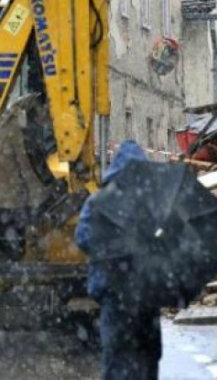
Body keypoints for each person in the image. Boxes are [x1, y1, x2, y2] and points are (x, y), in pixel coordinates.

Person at [75, 140, 162, 380]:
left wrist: (110, 249)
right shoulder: (153, 205)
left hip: (114, 295)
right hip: (145, 297)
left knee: (117, 360)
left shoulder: (100, 201)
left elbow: (83, 238)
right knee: (146, 360)